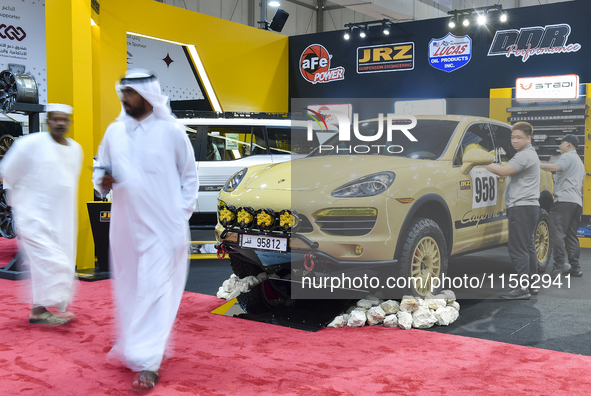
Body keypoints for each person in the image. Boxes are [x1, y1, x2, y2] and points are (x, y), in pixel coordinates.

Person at [93, 70, 198, 392]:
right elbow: (101, 167)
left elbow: (189, 178)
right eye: (122, 93)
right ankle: (137, 344)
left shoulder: (172, 131)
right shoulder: (115, 131)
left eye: (130, 93)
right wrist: (103, 182)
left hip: (164, 230)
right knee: (130, 287)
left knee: (155, 288)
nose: (124, 99)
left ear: (148, 94)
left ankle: (149, 362)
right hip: (125, 227)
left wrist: (179, 217)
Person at [0, 104, 83, 324]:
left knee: (52, 262)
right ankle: (43, 308)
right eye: (55, 119)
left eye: (64, 119)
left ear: (69, 122)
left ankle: (39, 311)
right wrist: (15, 202)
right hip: (33, 216)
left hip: (63, 219)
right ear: (48, 120)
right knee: (53, 262)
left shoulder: (76, 149)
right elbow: (8, 171)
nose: (60, 123)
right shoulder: (30, 144)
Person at [486, 122, 540, 299]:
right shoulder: (528, 154)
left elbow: (503, 171)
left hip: (522, 207)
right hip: (530, 207)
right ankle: (532, 284)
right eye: (513, 137)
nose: (515, 141)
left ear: (528, 138)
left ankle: (521, 289)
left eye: (519, 138)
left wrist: (481, 163)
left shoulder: (524, 156)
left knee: (518, 249)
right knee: (528, 246)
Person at [540, 134, 585, 278]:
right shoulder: (579, 161)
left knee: (555, 232)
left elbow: (556, 167)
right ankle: (575, 267)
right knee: (571, 235)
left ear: (569, 145)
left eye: (562, 143)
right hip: (576, 202)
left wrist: (537, 164)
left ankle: (560, 264)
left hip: (564, 200)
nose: (559, 145)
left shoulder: (567, 157)